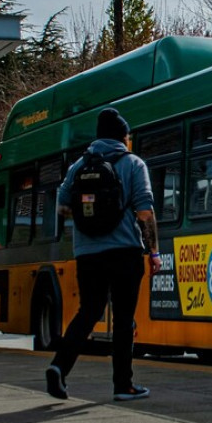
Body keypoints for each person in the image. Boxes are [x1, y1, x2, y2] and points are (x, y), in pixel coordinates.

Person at [46, 107, 161, 402]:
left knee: (89, 311)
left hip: (88, 254)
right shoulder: (133, 163)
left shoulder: (78, 167)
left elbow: (62, 206)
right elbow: (144, 211)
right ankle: (123, 385)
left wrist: (88, 223)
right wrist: (154, 252)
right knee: (123, 319)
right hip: (125, 252)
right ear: (123, 137)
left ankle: (59, 366)